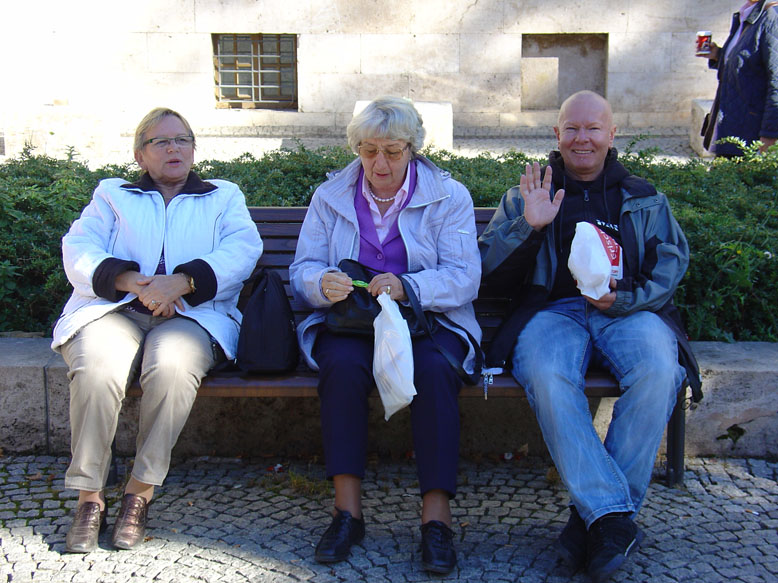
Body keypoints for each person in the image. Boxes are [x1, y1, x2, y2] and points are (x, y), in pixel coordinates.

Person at [478, 91, 701, 582]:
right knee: (546, 374)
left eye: (593, 128)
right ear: (557, 134)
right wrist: (529, 226)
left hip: (626, 311)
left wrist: (624, 298)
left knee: (661, 371)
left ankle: (592, 519)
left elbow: (670, 265)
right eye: (572, 128)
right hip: (551, 312)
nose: (582, 138)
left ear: (611, 134)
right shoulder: (528, 193)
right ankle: (613, 519)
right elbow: (487, 271)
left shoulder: (643, 197)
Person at [52, 107, 262, 553]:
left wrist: (183, 282)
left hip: (192, 315)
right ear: (139, 154)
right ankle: (90, 498)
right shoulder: (113, 194)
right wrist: (131, 281)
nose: (174, 149)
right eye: (161, 141)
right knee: (96, 368)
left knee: (171, 368)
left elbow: (243, 250)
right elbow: (79, 246)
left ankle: (139, 493)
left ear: (193, 149)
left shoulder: (223, 196)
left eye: (182, 140)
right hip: (115, 310)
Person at [289, 96, 481, 574]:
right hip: (353, 321)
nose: (379, 163)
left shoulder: (448, 195)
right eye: (369, 150)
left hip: (428, 320)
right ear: (357, 148)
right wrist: (321, 283)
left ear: (412, 149)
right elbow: (303, 267)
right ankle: (347, 513)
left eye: (393, 152)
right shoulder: (330, 196)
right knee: (341, 367)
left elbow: (464, 277)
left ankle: (436, 519)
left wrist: (409, 286)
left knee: (434, 371)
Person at [699, 0, 778, 156]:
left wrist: (770, 135)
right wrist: (718, 55)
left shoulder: (772, 17)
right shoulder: (748, 15)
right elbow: (749, 66)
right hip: (731, 127)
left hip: (751, 135)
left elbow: (776, 80)